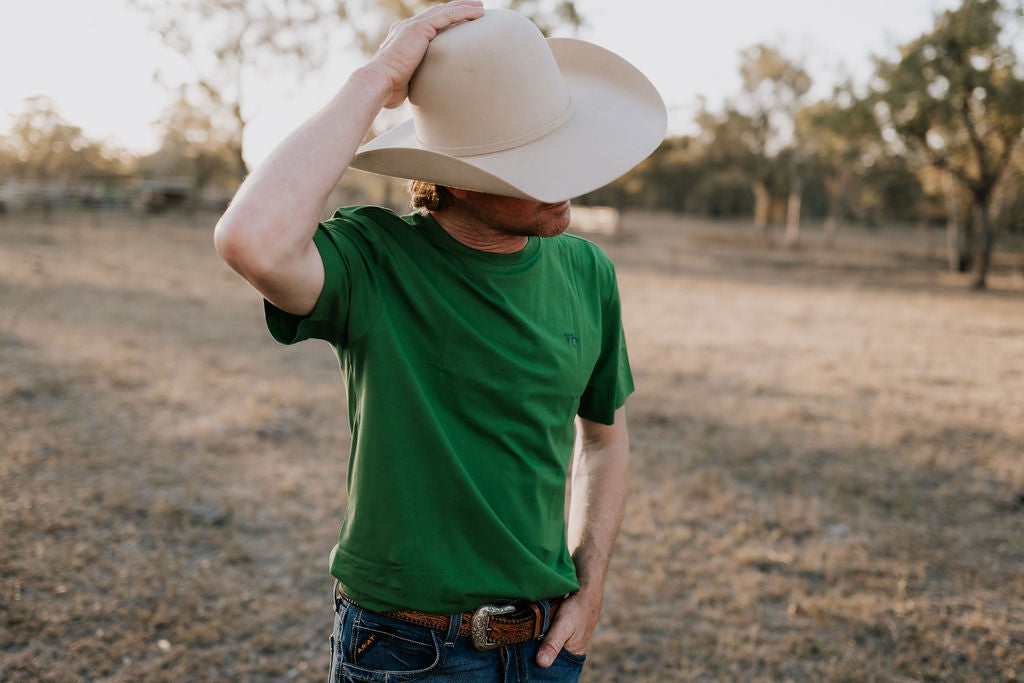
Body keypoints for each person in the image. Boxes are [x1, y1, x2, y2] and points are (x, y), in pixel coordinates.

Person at [213, 2, 665, 681]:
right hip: (406, 650)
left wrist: (590, 583)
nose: (567, 178)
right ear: (455, 176)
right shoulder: (373, 260)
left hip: (544, 648)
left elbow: (605, 438)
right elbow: (252, 239)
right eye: (532, 163)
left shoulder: (587, 271)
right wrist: (376, 80)